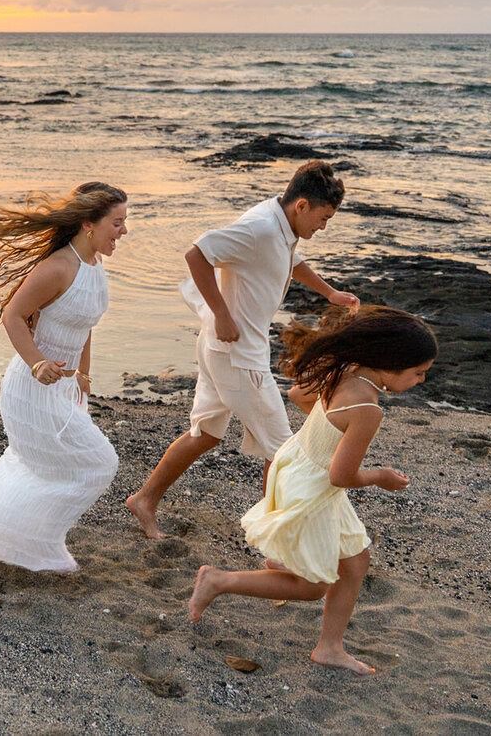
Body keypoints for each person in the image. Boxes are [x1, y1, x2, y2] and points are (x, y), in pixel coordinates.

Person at [187, 305, 436, 676]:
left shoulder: (345, 370)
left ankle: (329, 647)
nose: (421, 381)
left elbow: (297, 395)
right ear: (389, 363)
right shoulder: (368, 408)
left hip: (297, 466)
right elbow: (341, 476)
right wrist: (381, 476)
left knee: (355, 559)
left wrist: (323, 434)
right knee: (312, 586)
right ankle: (218, 581)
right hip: (314, 486)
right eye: (418, 373)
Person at [126, 160, 360, 539]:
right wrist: (222, 313)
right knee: (283, 451)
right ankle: (278, 541)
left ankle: (144, 499)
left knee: (206, 434)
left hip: (223, 349)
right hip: (236, 353)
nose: (324, 225)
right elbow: (197, 254)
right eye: (324, 217)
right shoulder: (260, 227)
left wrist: (329, 292)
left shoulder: (280, 225)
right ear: (302, 206)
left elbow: (289, 261)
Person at [0, 183, 128, 573]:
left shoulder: (95, 266)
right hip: (30, 390)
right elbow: (12, 316)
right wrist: (37, 362)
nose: (123, 232)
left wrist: (84, 373)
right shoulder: (57, 268)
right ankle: (35, 541)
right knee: (99, 463)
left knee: (56, 467)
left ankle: (20, 535)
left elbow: (85, 324)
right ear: (89, 225)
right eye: (117, 223)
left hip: (65, 389)